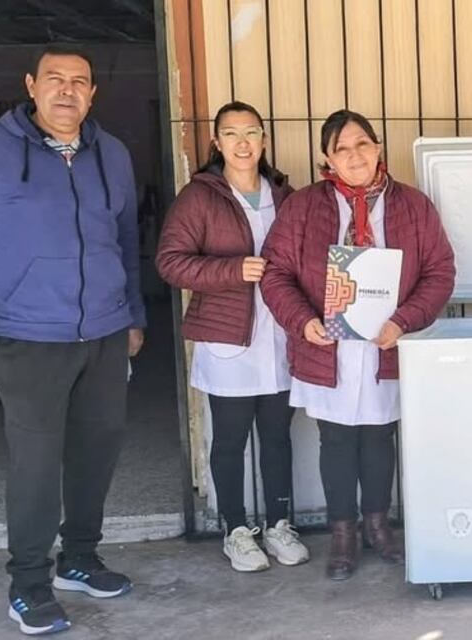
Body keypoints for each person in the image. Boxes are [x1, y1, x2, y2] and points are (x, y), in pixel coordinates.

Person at [261, 109, 455, 580]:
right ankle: (343, 534)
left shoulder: (412, 205)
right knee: (337, 440)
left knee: (379, 436)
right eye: (342, 149)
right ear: (326, 158)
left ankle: (378, 526)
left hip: (387, 344)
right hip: (327, 347)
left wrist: (403, 321)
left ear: (378, 148)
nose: (355, 156)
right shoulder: (305, 206)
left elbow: (439, 271)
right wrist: (302, 321)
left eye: (362, 144)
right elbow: (276, 272)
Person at [0, 44, 145, 635]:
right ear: (31, 85)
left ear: (92, 93)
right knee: (34, 466)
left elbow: (126, 237)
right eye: (54, 79)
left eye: (79, 81)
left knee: (96, 453)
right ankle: (28, 584)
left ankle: (79, 559)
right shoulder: (0, 151)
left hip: (105, 332)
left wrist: (133, 315)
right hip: (28, 334)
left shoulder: (112, 154)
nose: (67, 90)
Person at [157, 101, 309, 572]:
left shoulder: (285, 194)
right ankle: (236, 529)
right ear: (217, 143)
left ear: (264, 140)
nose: (243, 143)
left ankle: (280, 525)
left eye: (251, 133)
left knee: (278, 437)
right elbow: (170, 262)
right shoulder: (200, 197)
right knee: (229, 439)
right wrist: (232, 269)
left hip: (280, 335)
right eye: (231, 134)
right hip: (229, 340)